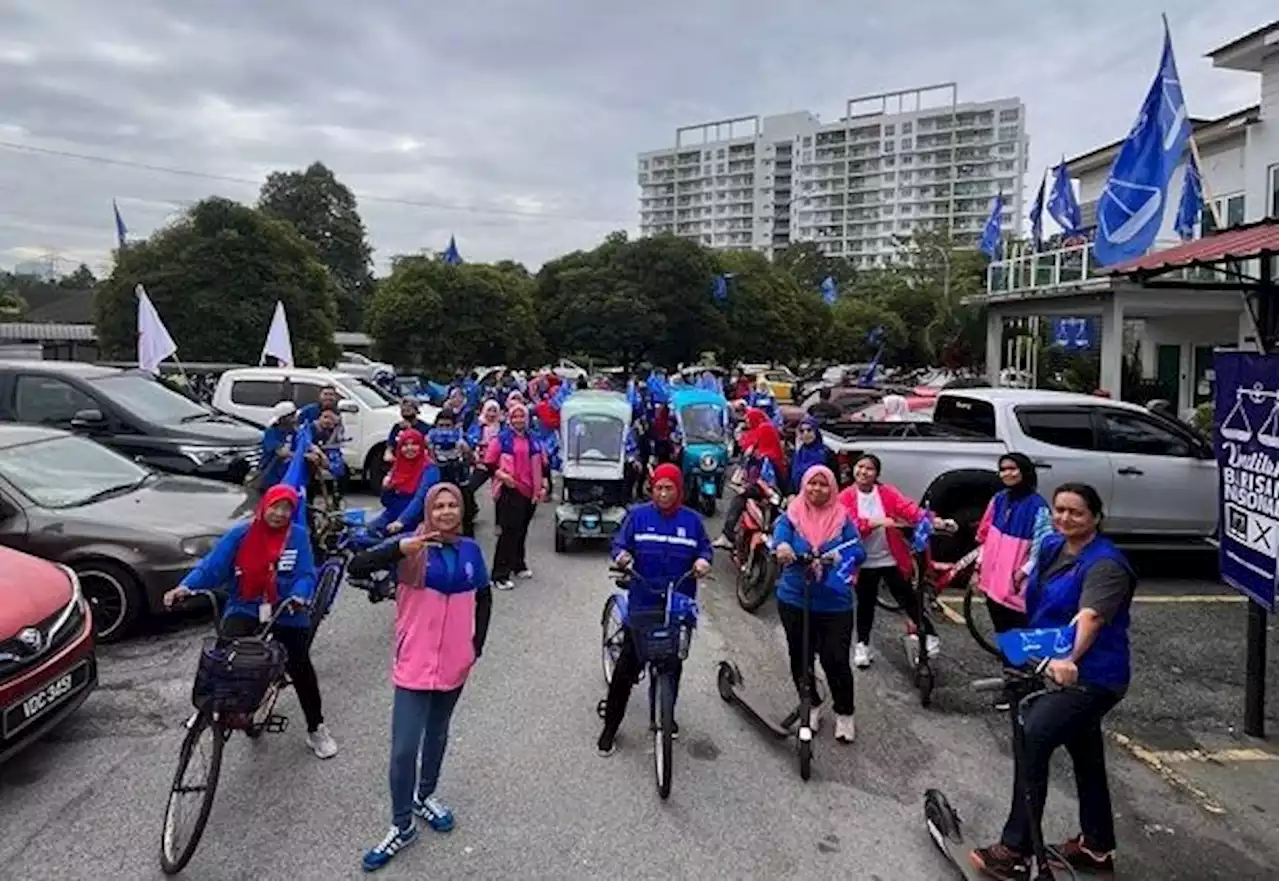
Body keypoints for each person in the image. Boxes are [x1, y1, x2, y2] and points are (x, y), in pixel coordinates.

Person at [970, 483, 1134, 880]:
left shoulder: (1106, 566)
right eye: (1059, 510)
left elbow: (1090, 617)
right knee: (1085, 750)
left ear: (1095, 517)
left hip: (1092, 677)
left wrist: (1066, 659)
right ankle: (1096, 845)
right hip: (1049, 665)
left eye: (1075, 512)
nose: (1064, 518)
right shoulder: (1051, 548)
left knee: (1033, 737)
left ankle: (1015, 850)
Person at [353, 483, 493, 872]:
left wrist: (474, 647)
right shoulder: (412, 547)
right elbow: (357, 566)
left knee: (438, 734)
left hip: (455, 666)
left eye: (453, 506)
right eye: (440, 506)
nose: (447, 512)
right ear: (429, 510)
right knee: (403, 750)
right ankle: (401, 826)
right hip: (414, 665)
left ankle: (424, 796)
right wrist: (398, 549)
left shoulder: (470, 551)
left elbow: (484, 596)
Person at [162, 485, 338, 759]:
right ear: (264, 506)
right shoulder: (241, 534)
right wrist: (185, 587)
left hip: (287, 609)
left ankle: (316, 727)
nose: (279, 513)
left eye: (286, 508)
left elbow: (305, 574)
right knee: (223, 653)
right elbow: (212, 566)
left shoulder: (298, 536)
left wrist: (299, 596)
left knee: (300, 667)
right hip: (247, 605)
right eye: (275, 506)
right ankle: (208, 708)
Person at [598, 463, 712, 756]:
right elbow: (619, 544)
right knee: (626, 669)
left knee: (672, 666)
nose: (663, 493)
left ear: (679, 490)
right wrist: (622, 556)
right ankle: (610, 728)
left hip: (677, 605)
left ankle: (662, 716)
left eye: (669, 488)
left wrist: (702, 562)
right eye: (658, 488)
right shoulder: (637, 516)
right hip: (643, 602)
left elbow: (704, 550)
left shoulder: (693, 521)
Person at [772, 465, 865, 743]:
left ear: (833, 488)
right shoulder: (792, 515)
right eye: (812, 483)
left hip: (834, 602)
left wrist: (842, 558)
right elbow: (779, 537)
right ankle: (811, 704)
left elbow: (857, 549)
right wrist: (784, 548)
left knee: (835, 659)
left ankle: (845, 713)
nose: (817, 489)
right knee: (800, 658)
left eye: (824, 484)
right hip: (795, 598)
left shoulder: (842, 518)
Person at [838, 453, 955, 668]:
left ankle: (929, 635)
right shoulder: (845, 496)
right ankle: (862, 645)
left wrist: (934, 520)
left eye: (869, 469)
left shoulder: (887, 492)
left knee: (908, 599)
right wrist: (874, 522)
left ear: (877, 474)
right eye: (860, 467)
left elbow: (909, 510)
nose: (863, 472)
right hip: (863, 561)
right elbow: (850, 525)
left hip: (890, 558)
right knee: (865, 605)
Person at [974, 454, 1054, 635]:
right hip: (992, 578)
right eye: (1003, 470)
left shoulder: (1038, 507)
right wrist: (980, 564)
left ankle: (1017, 660)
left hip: (1016, 580)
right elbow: (986, 534)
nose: (1006, 474)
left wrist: (1023, 572)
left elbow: (1043, 546)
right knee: (999, 621)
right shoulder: (998, 500)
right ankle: (1009, 657)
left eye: (1012, 468)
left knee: (1016, 623)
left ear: (1024, 471)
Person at [484, 401, 545, 590]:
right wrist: (502, 475)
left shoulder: (533, 438)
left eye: (522, 416)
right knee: (508, 532)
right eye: (515, 417)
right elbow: (489, 462)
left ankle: (518, 564)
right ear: (509, 419)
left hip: (530, 489)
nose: (519, 420)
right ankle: (499, 574)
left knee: (522, 530)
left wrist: (543, 484)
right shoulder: (501, 439)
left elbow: (543, 463)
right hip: (510, 489)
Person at [715, 408, 785, 549]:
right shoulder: (768, 454)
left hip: (767, 493)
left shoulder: (767, 458)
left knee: (738, 500)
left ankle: (727, 535)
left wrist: (747, 489)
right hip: (762, 489)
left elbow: (767, 482)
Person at [428, 409, 477, 536]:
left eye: (448, 426)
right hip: (440, 480)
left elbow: (473, 460)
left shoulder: (461, 438)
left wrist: (466, 451)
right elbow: (430, 460)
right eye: (441, 426)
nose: (444, 429)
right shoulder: (430, 439)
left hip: (459, 480)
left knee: (465, 515)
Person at [380, 428, 430, 525]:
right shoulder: (398, 466)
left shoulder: (429, 468)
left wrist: (401, 521)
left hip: (415, 520)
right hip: (392, 515)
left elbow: (420, 499)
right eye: (405, 445)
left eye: (414, 444)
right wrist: (385, 488)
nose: (409, 448)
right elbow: (386, 502)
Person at [257, 401, 298, 491]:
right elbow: (281, 452)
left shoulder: (293, 431)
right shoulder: (271, 432)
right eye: (291, 415)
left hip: (286, 475)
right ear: (283, 418)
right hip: (270, 474)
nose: (294, 418)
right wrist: (299, 456)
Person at [788, 416, 829, 496]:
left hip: (820, 497)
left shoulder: (827, 453)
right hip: (799, 499)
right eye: (802, 431)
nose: (805, 434)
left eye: (809, 430)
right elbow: (791, 479)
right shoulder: (797, 455)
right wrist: (791, 494)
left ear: (816, 431)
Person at [385, 397, 432, 464]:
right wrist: (388, 453)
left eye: (409, 408)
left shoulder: (425, 428)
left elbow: (429, 447)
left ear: (416, 410)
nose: (405, 409)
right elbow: (390, 445)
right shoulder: (397, 427)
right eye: (403, 409)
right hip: (400, 462)